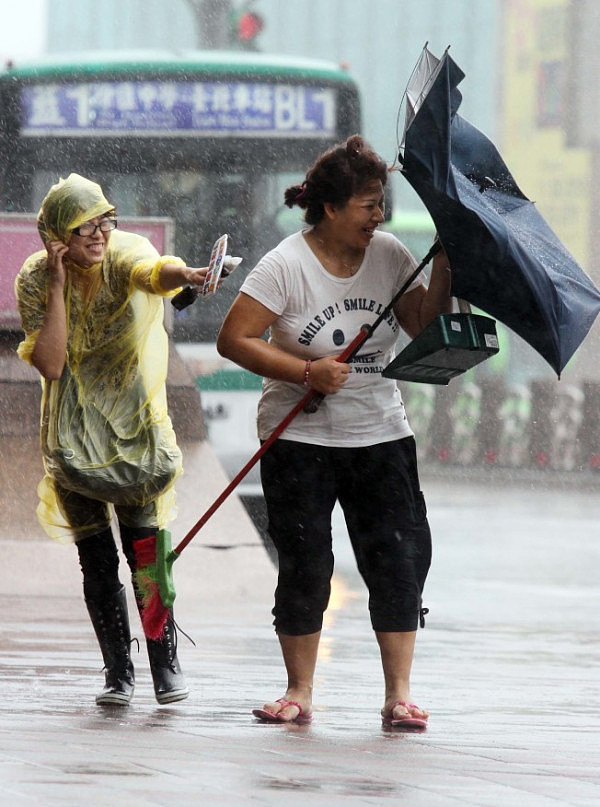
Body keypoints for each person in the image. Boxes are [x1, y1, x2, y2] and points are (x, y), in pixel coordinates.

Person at [217, 135, 452, 728]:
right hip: (301, 441)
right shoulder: (285, 265)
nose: (380, 216)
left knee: (397, 559)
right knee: (306, 562)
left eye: (381, 204)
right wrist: (306, 371)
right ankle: (299, 691)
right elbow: (234, 338)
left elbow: (420, 323)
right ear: (330, 207)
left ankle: (399, 694)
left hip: (381, 433)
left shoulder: (393, 254)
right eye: (369, 204)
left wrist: (445, 263)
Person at [15, 173, 210, 707]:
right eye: (84, 227)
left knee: (146, 551)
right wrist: (57, 285)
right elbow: (51, 362)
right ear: (57, 236)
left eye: (105, 221)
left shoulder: (124, 255)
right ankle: (117, 670)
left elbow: (154, 272)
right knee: (96, 559)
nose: (99, 234)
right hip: (72, 434)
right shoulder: (35, 279)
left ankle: (164, 661)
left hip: (133, 430)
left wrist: (186, 273)